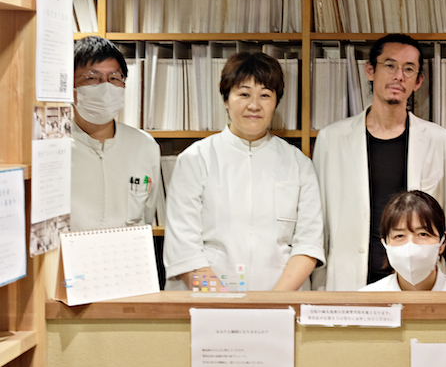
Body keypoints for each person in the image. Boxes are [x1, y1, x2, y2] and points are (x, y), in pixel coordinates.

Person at [312, 34, 446, 291]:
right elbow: (318, 224)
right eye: (390, 65)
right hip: (349, 282)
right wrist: (317, 289)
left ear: (418, 81)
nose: (399, 76)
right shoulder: (331, 139)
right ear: (370, 70)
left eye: (408, 69)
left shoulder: (440, 140)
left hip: (420, 284)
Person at [163, 52, 325, 291]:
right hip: (206, 300)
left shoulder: (299, 164)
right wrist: (221, 304)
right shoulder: (195, 159)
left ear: (276, 102)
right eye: (244, 94)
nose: (254, 105)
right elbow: (184, 248)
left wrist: (272, 303)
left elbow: (308, 244)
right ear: (226, 100)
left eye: (265, 95)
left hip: (281, 299)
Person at [71, 36, 160, 232]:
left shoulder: (144, 146)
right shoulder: (56, 147)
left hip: (128, 250)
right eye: (92, 78)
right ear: (71, 87)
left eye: (114, 78)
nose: (106, 87)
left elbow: (147, 216)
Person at [360, 191, 446, 292]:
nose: (410, 245)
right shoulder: (365, 301)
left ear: (442, 243)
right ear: (385, 244)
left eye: (423, 234)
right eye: (399, 236)